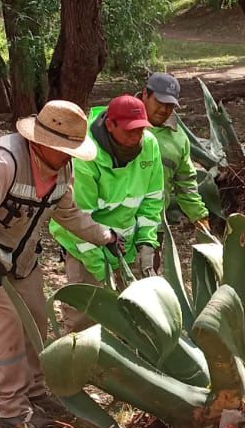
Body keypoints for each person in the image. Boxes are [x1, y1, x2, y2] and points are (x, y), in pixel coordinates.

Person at [0, 101, 118, 428]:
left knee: (36, 317)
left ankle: (35, 391)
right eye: (65, 149)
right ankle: (12, 410)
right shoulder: (2, 161)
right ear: (43, 143)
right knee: (6, 327)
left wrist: (105, 236)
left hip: (22, 257)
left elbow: (69, 213)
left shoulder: (63, 168)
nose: (69, 156)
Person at [49, 93, 164, 330]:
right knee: (87, 316)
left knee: (132, 319)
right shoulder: (85, 156)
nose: (137, 137)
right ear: (110, 125)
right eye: (129, 131)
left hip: (127, 244)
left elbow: (151, 200)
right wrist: (104, 273)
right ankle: (81, 362)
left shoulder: (149, 145)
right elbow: (78, 220)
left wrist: (146, 243)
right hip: (86, 246)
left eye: (141, 130)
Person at [139, 72, 212, 234]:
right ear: (145, 94)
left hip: (153, 227)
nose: (164, 109)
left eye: (170, 105)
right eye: (159, 101)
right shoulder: (117, 122)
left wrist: (200, 218)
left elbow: (186, 183)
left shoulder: (179, 140)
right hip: (114, 225)